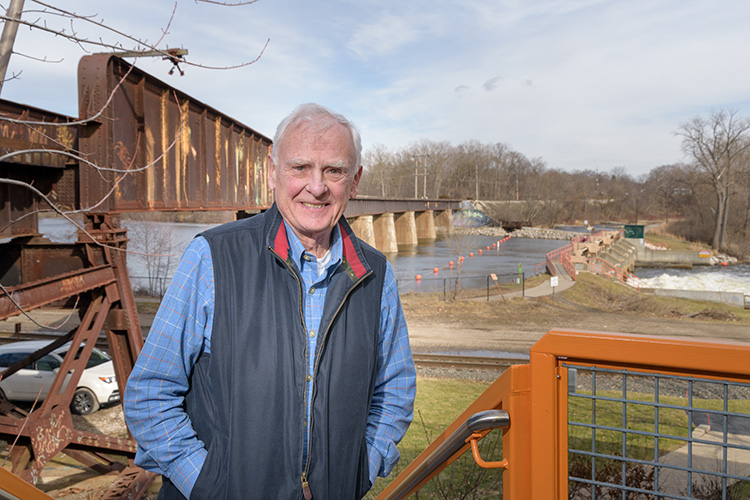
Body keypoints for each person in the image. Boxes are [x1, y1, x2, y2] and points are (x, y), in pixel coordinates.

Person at [124, 103, 416, 500]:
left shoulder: (375, 275)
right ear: (271, 171)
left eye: (334, 170)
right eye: (300, 168)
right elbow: (150, 393)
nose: (316, 187)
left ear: (355, 180)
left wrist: (360, 470)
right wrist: (210, 484)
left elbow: (394, 390)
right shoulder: (213, 256)